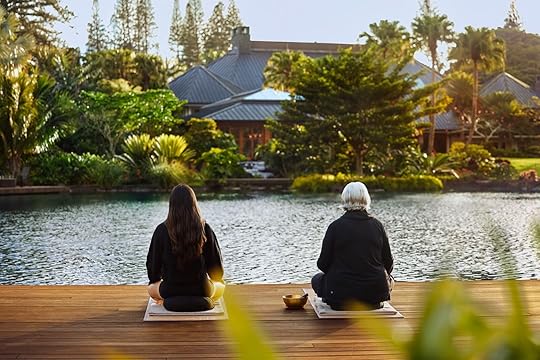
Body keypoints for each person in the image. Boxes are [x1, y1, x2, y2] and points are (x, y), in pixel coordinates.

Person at [311, 182, 394, 310]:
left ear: (345, 199)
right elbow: (388, 262)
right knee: (388, 280)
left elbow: (322, 264)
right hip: (374, 296)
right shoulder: (377, 226)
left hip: (340, 297)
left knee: (316, 279)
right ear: (366, 199)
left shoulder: (335, 227)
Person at [147, 184, 225, 304]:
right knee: (221, 285)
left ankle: (165, 301)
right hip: (202, 290)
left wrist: (162, 279)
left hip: (169, 291)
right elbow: (217, 271)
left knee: (151, 288)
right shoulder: (205, 229)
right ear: (194, 203)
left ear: (171, 205)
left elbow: (153, 271)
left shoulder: (161, 230)